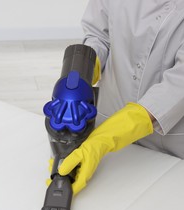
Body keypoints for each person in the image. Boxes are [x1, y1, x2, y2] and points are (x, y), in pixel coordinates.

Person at [58, 0, 184, 195]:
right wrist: (84, 69)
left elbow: (178, 84)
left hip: (167, 146)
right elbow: (99, 35)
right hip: (106, 127)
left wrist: (108, 136)